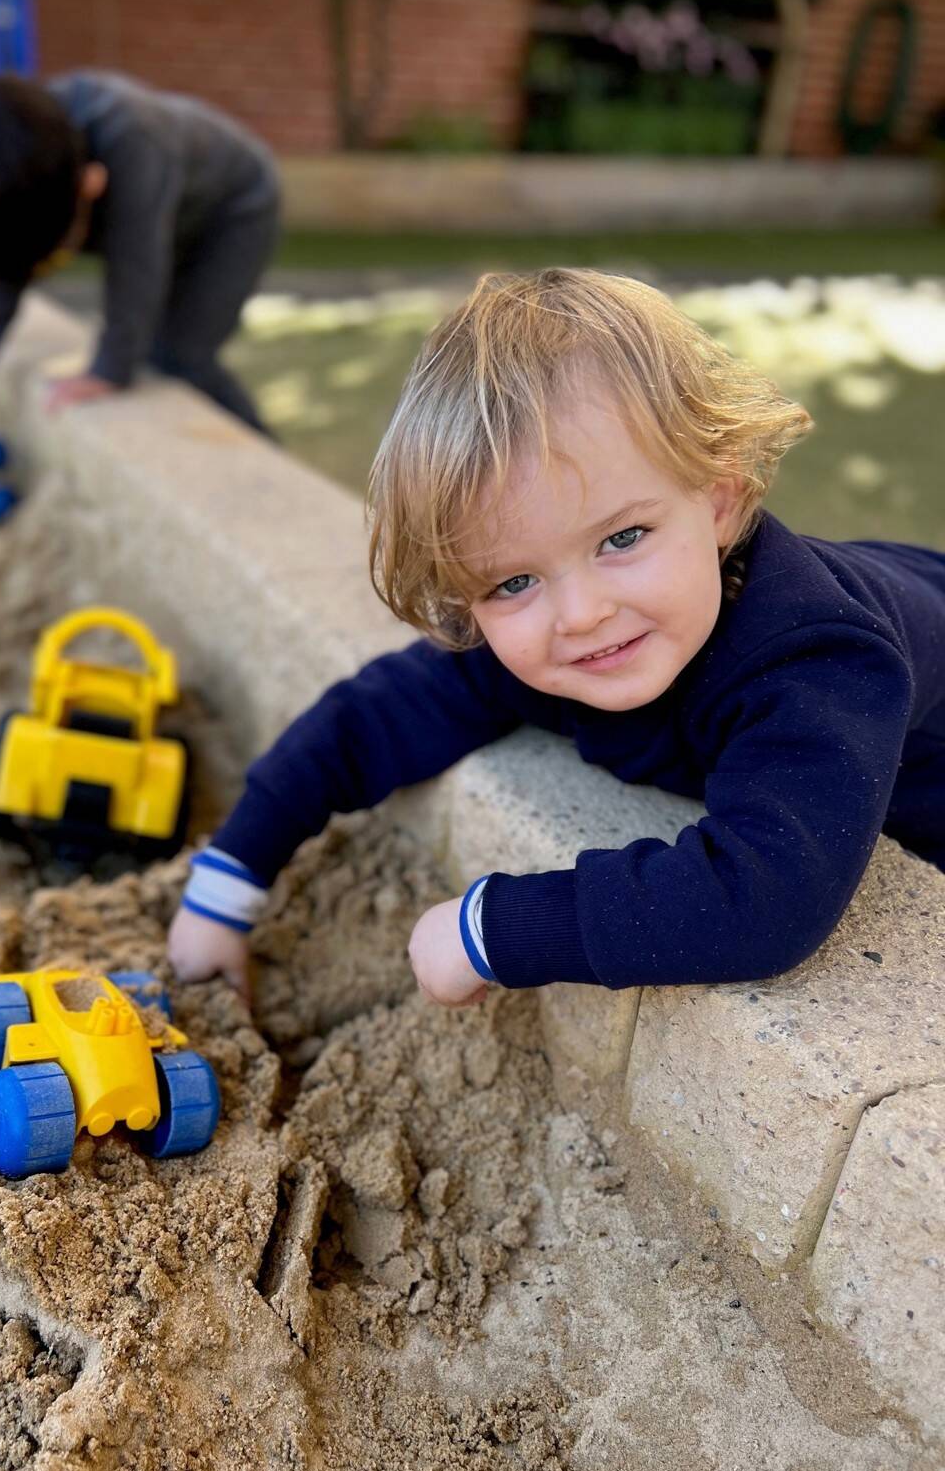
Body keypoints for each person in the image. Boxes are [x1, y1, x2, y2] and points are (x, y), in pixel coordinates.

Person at [167, 268, 945, 1007]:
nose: (578, 613)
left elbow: (764, 899)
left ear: (719, 502)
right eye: (512, 582)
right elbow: (371, 719)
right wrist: (227, 881)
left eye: (623, 538)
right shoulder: (544, 637)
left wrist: (486, 930)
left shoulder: (819, 662)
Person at [0, 71, 279, 457]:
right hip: (171, 211)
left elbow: (136, 271)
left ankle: (269, 457)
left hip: (234, 210)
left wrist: (108, 371)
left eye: (51, 253)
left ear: (91, 184)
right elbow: (1, 272)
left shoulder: (131, 141)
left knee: (179, 354)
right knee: (159, 353)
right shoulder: (20, 159)